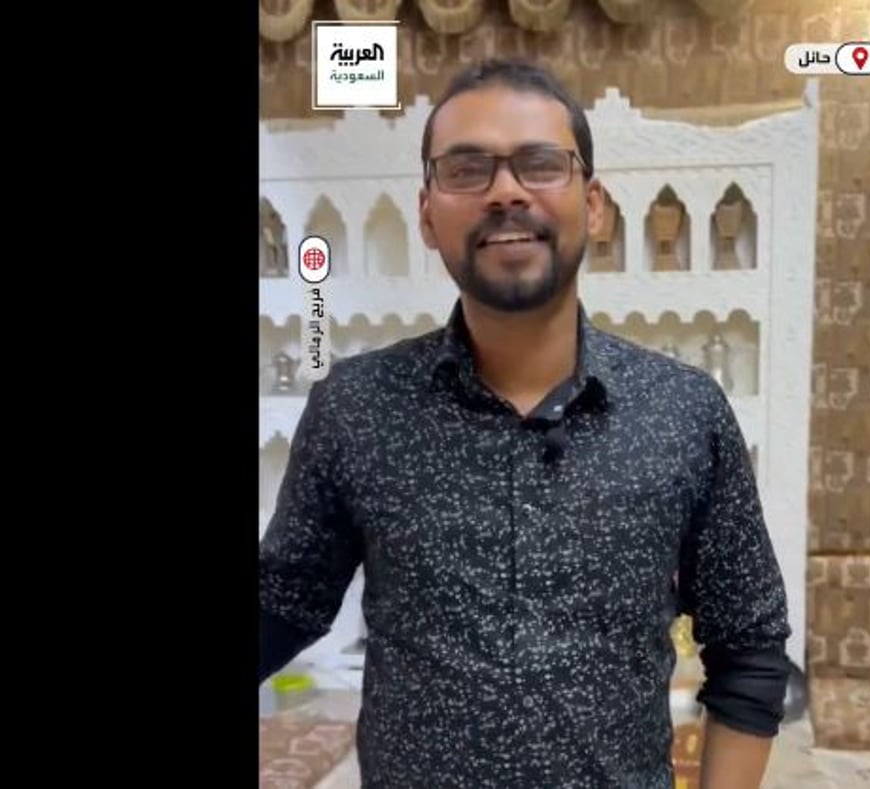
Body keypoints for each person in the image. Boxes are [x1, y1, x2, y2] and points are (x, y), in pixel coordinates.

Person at [259, 57, 792, 788]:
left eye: (540, 164)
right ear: (427, 214)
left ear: (593, 204)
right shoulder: (356, 408)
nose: (506, 191)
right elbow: (282, 603)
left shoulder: (684, 412)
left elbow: (749, 648)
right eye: (466, 169)